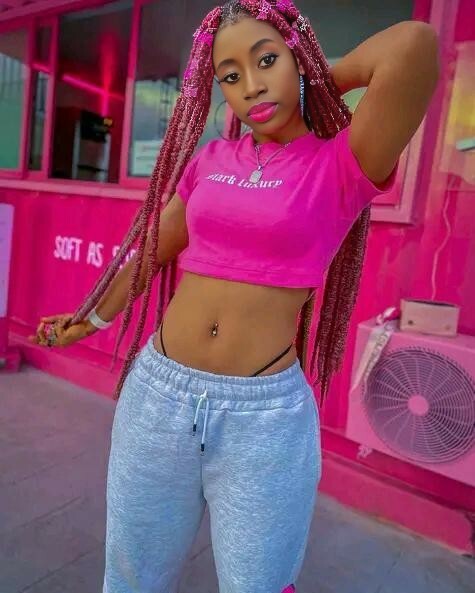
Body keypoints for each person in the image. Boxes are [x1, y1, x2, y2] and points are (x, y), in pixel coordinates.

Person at [29, 1, 439, 591]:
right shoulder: (211, 160)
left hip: (262, 420)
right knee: (131, 576)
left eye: (265, 61)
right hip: (159, 394)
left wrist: (312, 74)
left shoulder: (342, 163)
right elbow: (152, 250)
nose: (250, 86)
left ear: (296, 58)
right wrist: (89, 319)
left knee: (258, 584)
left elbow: (414, 46)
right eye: (230, 75)